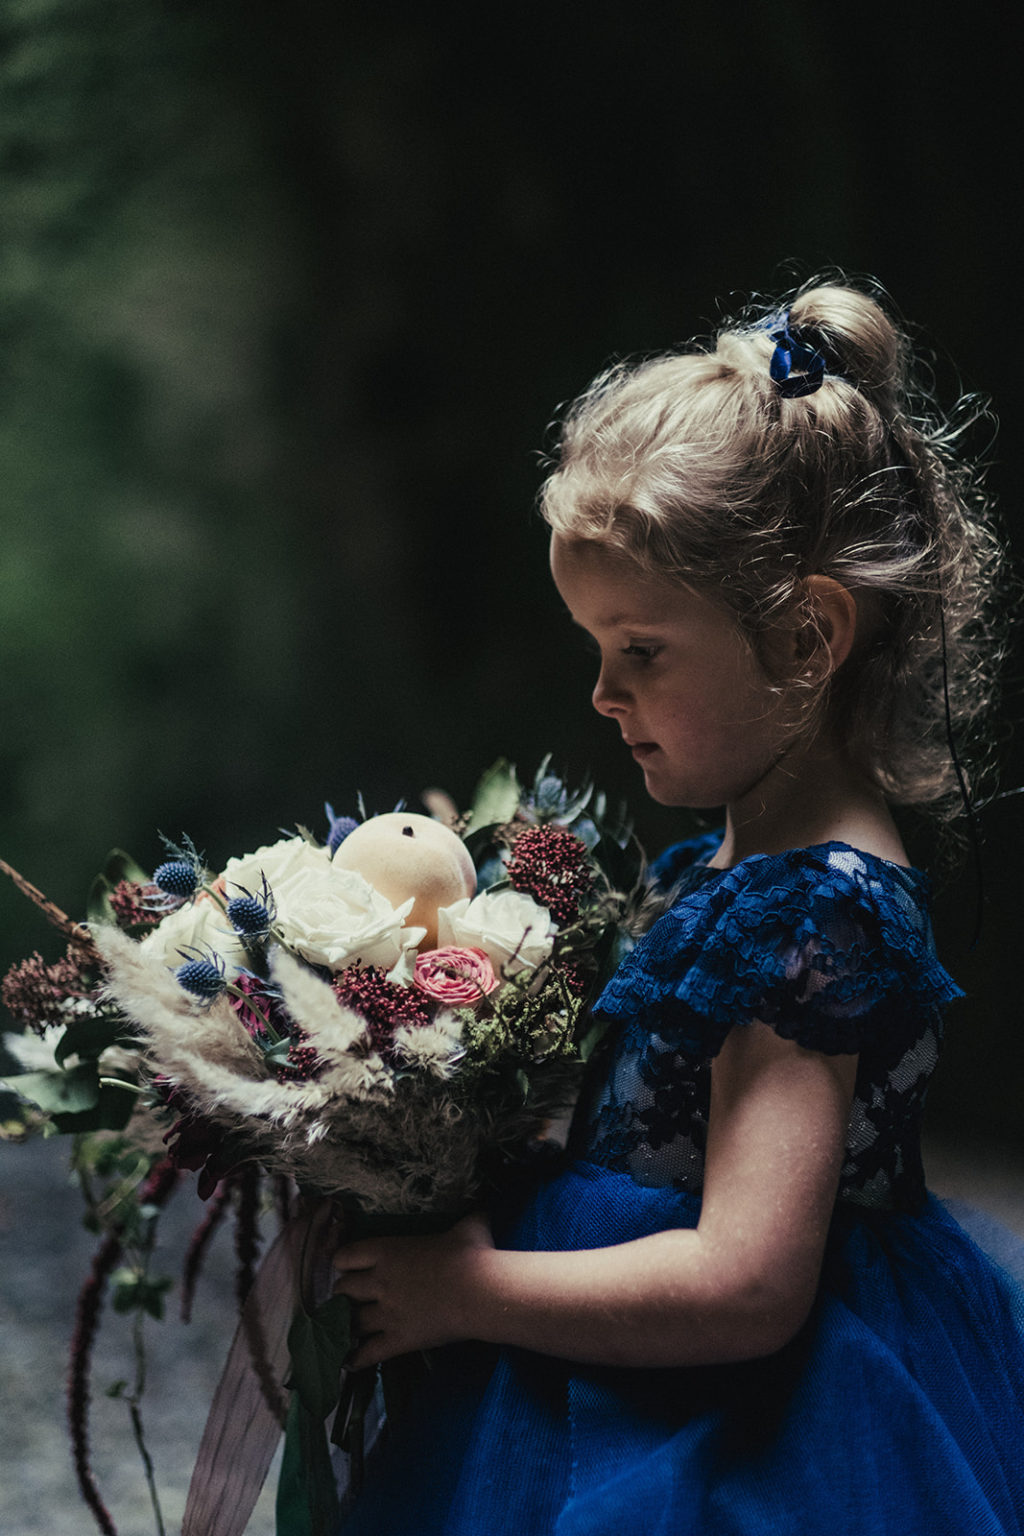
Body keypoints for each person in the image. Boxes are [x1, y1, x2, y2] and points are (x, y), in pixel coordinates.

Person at [331, 277, 1024, 1534]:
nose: (603, 695)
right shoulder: (734, 867)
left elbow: (745, 1281)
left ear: (809, 637)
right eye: (594, 651)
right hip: (622, 1361)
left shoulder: (812, 914)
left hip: (749, 1427)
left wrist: (469, 1291)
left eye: (639, 651)